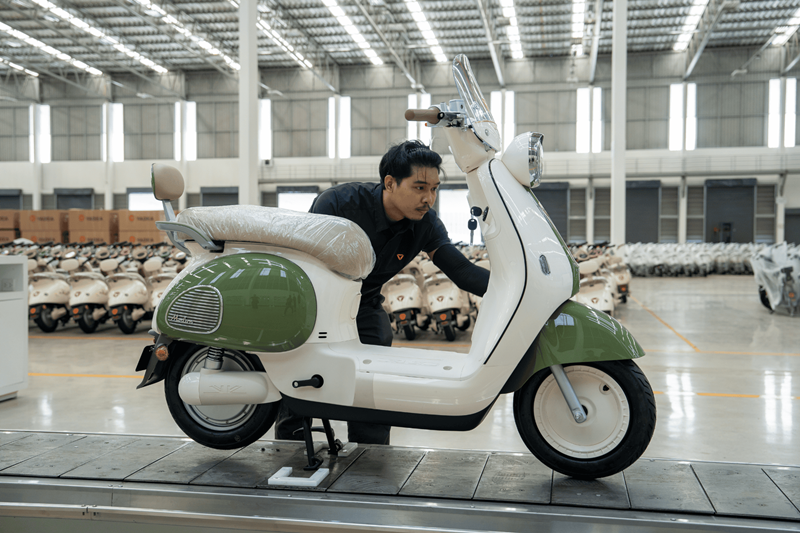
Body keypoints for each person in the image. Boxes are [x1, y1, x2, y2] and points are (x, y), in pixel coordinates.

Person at [274, 140, 490, 445]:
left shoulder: (426, 224)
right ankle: (291, 446)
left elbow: (461, 271)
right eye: (419, 188)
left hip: (363, 306)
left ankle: (370, 454)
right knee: (299, 381)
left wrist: (514, 288)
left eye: (434, 189)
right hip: (314, 305)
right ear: (390, 183)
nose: (428, 198)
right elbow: (306, 267)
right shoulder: (338, 205)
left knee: (371, 387)